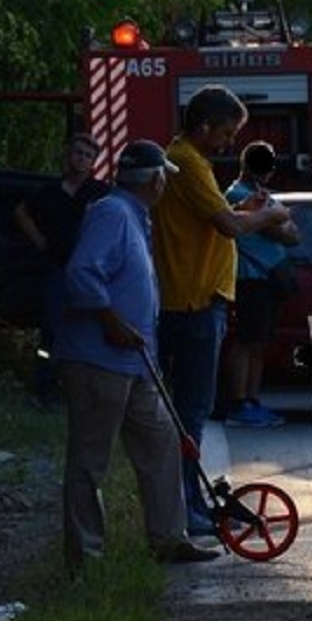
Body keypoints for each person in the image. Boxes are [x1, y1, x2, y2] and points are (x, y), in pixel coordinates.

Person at [56, 140, 219, 570]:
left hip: (136, 362)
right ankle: (85, 559)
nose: (165, 182)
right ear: (154, 180)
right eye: (163, 176)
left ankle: (169, 538)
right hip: (98, 359)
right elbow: (81, 272)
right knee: (90, 460)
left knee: (163, 442)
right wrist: (110, 320)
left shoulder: (134, 214)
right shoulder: (112, 213)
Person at [153, 85, 291, 532]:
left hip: (196, 300)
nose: (230, 142)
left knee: (190, 414)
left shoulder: (191, 162)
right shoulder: (189, 164)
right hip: (193, 303)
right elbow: (229, 225)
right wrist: (268, 215)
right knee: (190, 415)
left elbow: (219, 217)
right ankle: (187, 512)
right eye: (227, 133)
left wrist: (246, 208)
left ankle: (187, 505)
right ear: (204, 126)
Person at [13, 134, 109, 406]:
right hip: (58, 268)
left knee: (91, 329)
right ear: (68, 154)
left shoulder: (99, 192)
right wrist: (38, 239)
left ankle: (85, 389)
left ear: (93, 162)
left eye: (88, 155)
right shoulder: (49, 190)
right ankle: (46, 387)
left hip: (91, 272)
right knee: (52, 330)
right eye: (77, 153)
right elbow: (20, 212)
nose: (81, 159)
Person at [223, 141, 301, 428]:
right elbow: (282, 231)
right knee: (246, 341)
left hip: (265, 281)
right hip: (251, 278)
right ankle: (238, 403)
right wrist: (276, 219)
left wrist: (279, 221)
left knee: (258, 343)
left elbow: (293, 234)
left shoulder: (259, 195)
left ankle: (252, 401)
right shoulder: (238, 195)